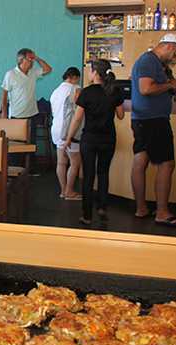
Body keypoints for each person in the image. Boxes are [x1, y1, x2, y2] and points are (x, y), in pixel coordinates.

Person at [130, 33, 176, 226]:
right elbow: (146, 89)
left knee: (141, 160)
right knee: (167, 164)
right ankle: (162, 212)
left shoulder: (156, 64)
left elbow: (159, 90)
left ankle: (141, 209)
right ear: (170, 46)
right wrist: (170, 84)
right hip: (153, 120)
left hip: (143, 119)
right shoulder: (149, 61)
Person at [64, 60, 124, 225]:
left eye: (90, 71)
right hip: (108, 138)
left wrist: (69, 138)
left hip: (89, 139)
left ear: (95, 73)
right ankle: (102, 207)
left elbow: (77, 119)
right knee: (103, 173)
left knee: (88, 175)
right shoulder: (115, 91)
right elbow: (121, 116)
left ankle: (87, 215)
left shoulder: (86, 92)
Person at [0, 48, 52, 144]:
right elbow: (4, 95)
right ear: (21, 60)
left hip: (32, 115)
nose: (32, 61)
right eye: (30, 59)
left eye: (32, 59)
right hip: (17, 115)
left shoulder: (33, 72)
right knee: (17, 145)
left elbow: (48, 69)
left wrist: (37, 58)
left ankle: (30, 159)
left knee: (31, 144)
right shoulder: (11, 74)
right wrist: (4, 113)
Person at [50, 67, 82, 200]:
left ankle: (63, 190)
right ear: (73, 77)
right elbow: (79, 111)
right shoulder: (76, 89)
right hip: (69, 130)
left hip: (56, 128)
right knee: (75, 162)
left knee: (61, 162)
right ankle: (69, 191)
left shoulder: (55, 91)